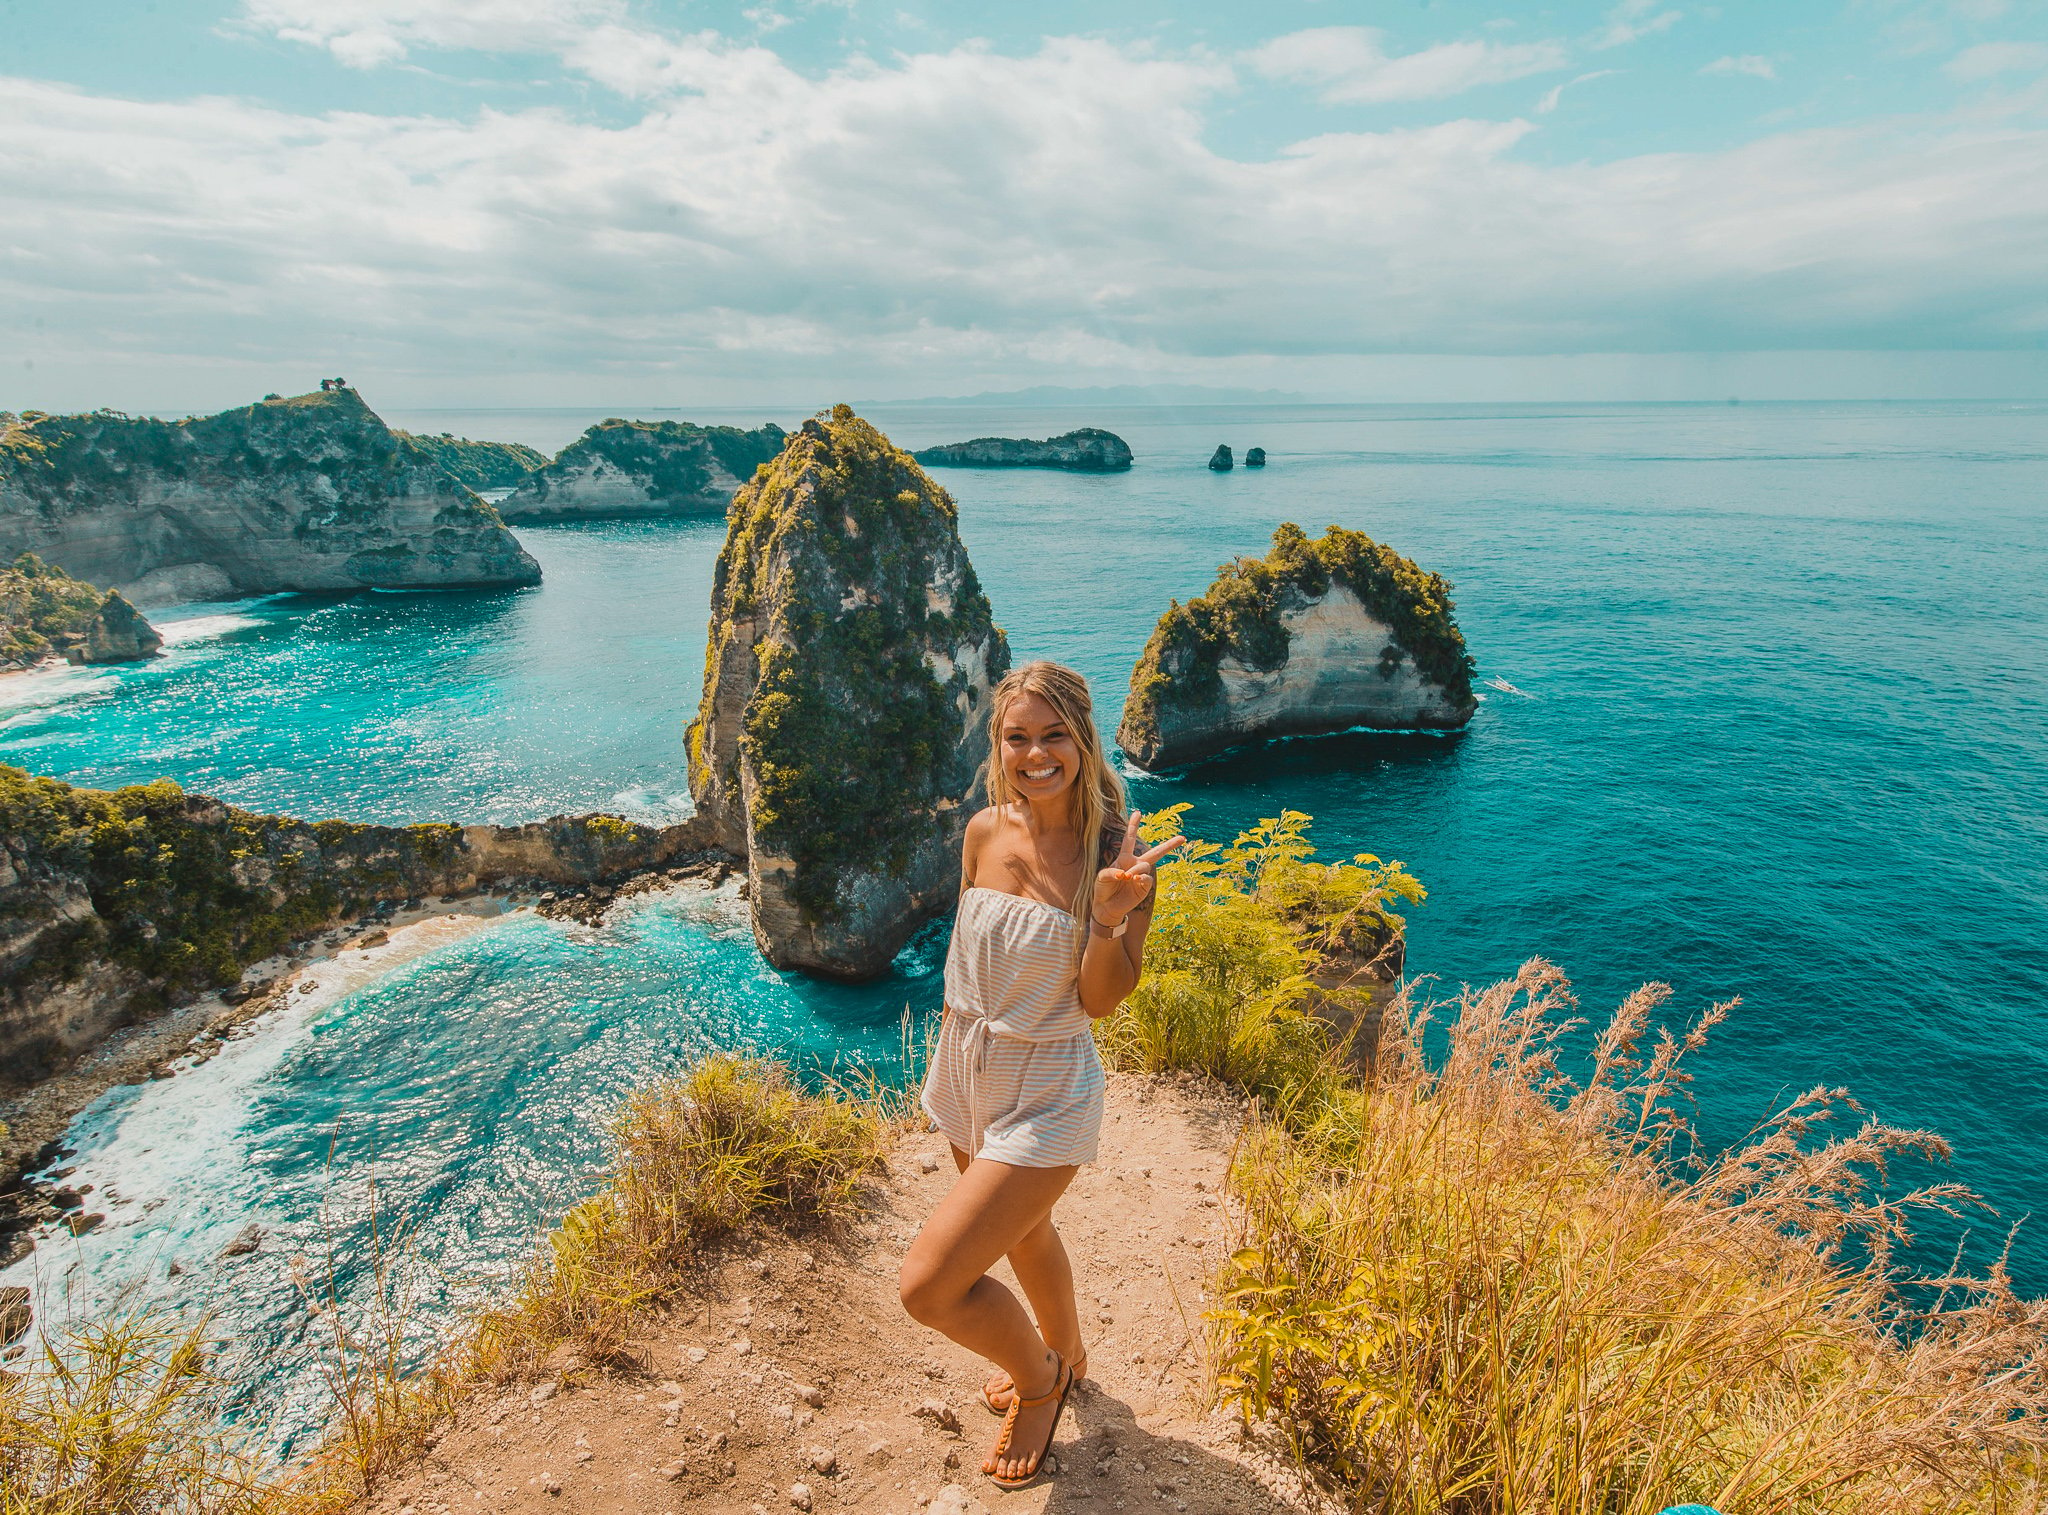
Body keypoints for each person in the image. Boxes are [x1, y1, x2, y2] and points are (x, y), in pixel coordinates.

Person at [897, 660, 1184, 1489]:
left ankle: (1040, 1378)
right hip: (967, 1068)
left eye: (1054, 733)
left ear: (1084, 738)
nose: (1036, 753)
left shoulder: (1117, 854)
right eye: (1017, 737)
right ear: (1000, 745)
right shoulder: (984, 830)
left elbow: (1100, 1000)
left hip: (1049, 1083)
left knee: (929, 1287)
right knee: (1024, 1233)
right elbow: (973, 952)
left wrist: (1104, 916)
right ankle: (1073, 1351)